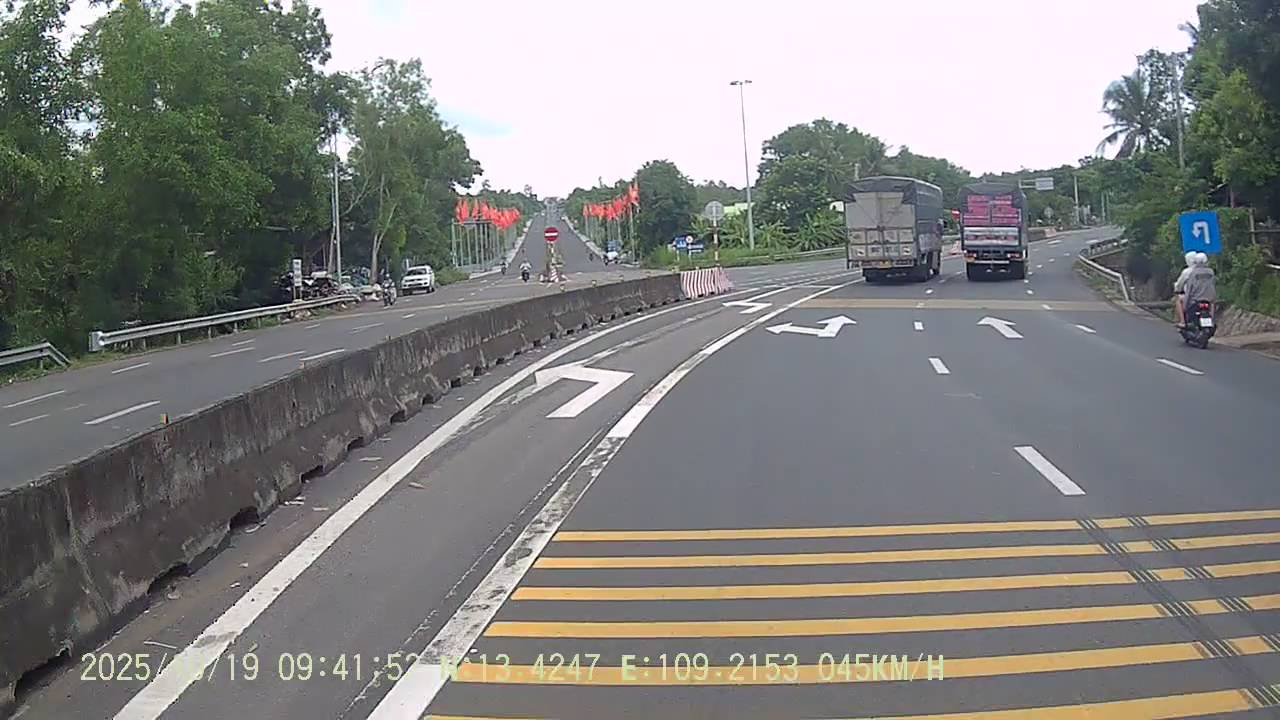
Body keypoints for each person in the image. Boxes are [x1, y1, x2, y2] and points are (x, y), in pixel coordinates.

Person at [1180, 252, 1217, 327]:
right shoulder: (1211, 272)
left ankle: (1184, 322)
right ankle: (1212, 321)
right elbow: (1213, 284)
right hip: (1209, 299)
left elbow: (1189, 289)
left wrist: (1185, 305)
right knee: (1212, 305)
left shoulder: (1193, 273)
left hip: (1195, 300)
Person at [1172, 251, 1196, 327]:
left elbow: (1180, 283)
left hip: (1191, 295)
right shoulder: (1207, 270)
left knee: (1178, 300)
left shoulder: (1187, 272)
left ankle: (1182, 321)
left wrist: (1177, 288)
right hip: (1206, 295)